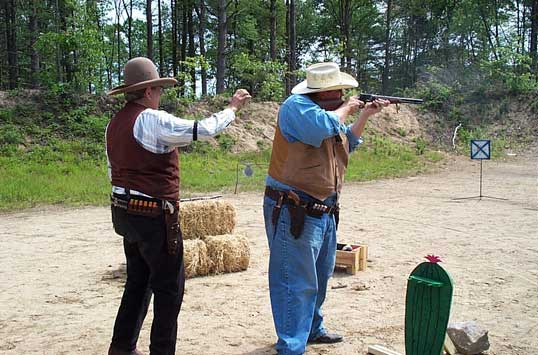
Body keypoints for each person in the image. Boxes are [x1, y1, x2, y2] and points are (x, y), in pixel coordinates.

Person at [106, 57, 250, 355]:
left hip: (123, 210)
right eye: (158, 89)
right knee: (169, 290)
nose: (159, 95)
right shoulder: (152, 120)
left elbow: (114, 170)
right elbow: (204, 129)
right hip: (152, 215)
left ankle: (121, 348)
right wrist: (232, 108)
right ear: (147, 92)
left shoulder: (114, 124)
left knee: (137, 282)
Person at [263, 62, 389, 355]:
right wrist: (349, 106)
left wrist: (365, 114)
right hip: (294, 208)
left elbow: (348, 141)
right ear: (325, 91)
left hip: (323, 209)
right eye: (340, 91)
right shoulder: (296, 107)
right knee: (294, 281)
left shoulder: (326, 113)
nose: (345, 93)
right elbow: (322, 127)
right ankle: (292, 346)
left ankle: (312, 329)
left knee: (319, 277)